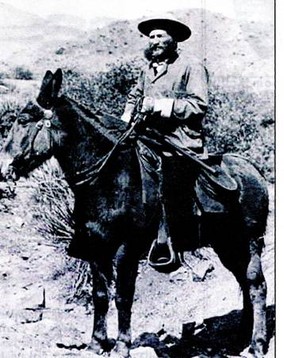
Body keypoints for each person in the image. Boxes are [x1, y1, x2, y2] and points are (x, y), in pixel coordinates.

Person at [121, 18, 209, 269]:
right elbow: (134, 96)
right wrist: (124, 121)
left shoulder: (191, 67)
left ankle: (169, 243)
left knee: (169, 186)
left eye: (160, 36)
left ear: (174, 40)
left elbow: (198, 105)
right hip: (147, 137)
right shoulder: (147, 68)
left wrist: (160, 106)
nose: (155, 41)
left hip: (180, 141)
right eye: (151, 37)